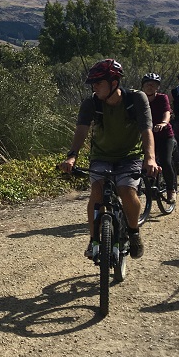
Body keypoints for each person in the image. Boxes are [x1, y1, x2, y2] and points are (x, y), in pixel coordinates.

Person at [60, 59, 159, 260]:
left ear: (114, 83)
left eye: (99, 83)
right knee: (97, 193)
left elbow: (146, 130)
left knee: (126, 191)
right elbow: (81, 130)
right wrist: (72, 156)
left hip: (130, 155)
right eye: (92, 83)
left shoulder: (136, 99)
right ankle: (94, 238)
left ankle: (133, 233)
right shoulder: (91, 103)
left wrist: (150, 159)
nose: (94, 87)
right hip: (101, 156)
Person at [142, 72, 176, 204]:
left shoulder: (162, 98)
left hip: (164, 136)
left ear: (157, 87)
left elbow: (166, 113)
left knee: (166, 162)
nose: (150, 87)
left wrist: (163, 123)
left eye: (153, 85)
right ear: (143, 86)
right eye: (147, 84)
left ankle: (170, 190)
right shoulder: (139, 99)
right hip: (147, 137)